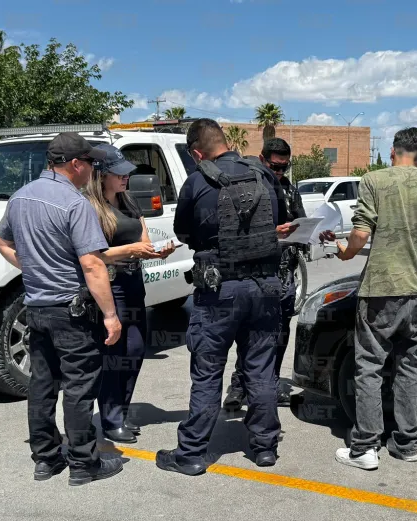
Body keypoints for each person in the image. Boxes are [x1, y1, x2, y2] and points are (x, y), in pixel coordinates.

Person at [155, 119, 294, 476]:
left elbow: (183, 231)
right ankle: (264, 447)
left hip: (218, 291)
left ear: (197, 151)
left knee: (207, 373)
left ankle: (191, 454)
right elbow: (280, 220)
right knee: (261, 369)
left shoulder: (198, 180)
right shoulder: (263, 175)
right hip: (264, 288)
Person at [0, 132, 124, 486]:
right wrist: (111, 316)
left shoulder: (20, 197)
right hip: (72, 311)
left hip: (36, 308)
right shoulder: (74, 203)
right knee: (80, 388)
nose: (93, 169)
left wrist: (31, 267)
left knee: (42, 385)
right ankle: (83, 464)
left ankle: (46, 459)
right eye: (91, 163)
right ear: (76, 164)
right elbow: (93, 265)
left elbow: (0, 240)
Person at [331, 127, 417, 470]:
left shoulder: (373, 180)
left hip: (379, 290)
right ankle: (406, 444)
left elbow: (360, 233)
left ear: (392, 151)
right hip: (415, 289)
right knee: (408, 365)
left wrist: (346, 253)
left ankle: (365, 448)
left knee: (369, 368)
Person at [84, 143, 178, 444]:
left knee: (136, 351)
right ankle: (111, 419)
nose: (125, 178)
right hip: (110, 287)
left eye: (126, 173)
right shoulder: (89, 207)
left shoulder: (129, 201)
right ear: (100, 176)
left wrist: (156, 252)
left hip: (134, 283)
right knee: (115, 355)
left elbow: (144, 241)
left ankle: (120, 412)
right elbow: (91, 255)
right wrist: (131, 249)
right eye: (118, 174)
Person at [223, 138, 305, 411]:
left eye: (284, 167)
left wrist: (313, 232)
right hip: (260, 275)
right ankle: (238, 387)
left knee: (280, 334)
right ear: (262, 159)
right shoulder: (252, 189)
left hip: (286, 274)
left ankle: (269, 386)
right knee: (253, 334)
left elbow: (300, 222)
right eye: (275, 166)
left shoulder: (290, 191)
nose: (279, 172)